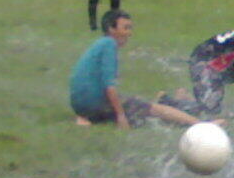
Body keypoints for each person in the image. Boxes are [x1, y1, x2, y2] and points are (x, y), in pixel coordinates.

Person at [70, 10, 210, 129]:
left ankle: (174, 100)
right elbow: (109, 87)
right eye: (125, 28)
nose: (129, 33)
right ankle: (201, 125)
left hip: (82, 107)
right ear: (111, 29)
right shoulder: (109, 45)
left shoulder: (100, 44)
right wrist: (121, 115)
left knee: (142, 112)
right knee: (152, 110)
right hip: (94, 105)